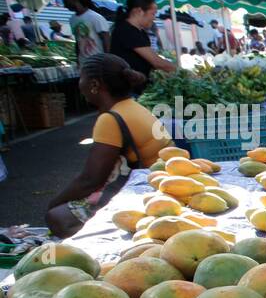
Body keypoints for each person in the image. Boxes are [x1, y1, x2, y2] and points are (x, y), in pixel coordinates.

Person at [45, 53, 172, 237]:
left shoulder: (110, 119)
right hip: (156, 182)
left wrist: (54, 203)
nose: (79, 84)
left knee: (56, 217)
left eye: (82, 78)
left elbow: (91, 179)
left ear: (95, 85)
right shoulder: (133, 106)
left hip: (146, 190)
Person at [108, 0, 175, 84]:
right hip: (128, 89)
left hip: (141, 86)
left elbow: (150, 62)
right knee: (178, 97)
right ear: (139, 11)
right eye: (153, 13)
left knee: (178, 96)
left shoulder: (140, 32)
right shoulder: (126, 31)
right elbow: (157, 62)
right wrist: (183, 72)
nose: (154, 18)